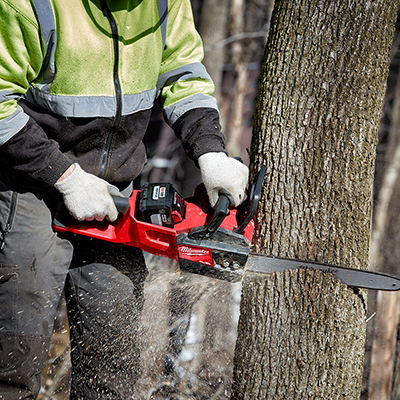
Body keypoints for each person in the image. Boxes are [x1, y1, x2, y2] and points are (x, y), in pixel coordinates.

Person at [0, 0, 249, 398]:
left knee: (111, 363)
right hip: (31, 182)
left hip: (116, 192)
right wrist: (65, 177)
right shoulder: (30, 4)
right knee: (14, 358)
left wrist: (210, 151)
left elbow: (182, 73)